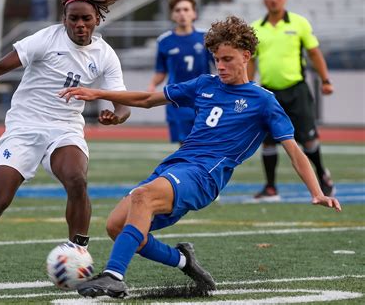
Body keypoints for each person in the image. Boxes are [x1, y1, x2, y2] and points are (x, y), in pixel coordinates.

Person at [60, 16, 342, 298]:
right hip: (177, 165)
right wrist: (95, 93)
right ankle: (184, 260)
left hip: (205, 175)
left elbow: (294, 150)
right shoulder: (204, 84)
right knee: (116, 226)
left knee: (142, 197)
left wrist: (316, 192)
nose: (220, 66)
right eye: (217, 59)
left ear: (246, 56)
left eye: (227, 59)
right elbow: (147, 100)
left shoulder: (263, 100)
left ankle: (114, 276)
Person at [0, 0, 131, 267]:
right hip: (24, 127)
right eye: (74, 19)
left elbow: (122, 102)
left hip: (65, 129)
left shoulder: (106, 55)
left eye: (86, 19)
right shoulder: (45, 39)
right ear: (64, 19)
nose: (80, 25)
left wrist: (116, 116)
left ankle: (78, 251)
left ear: (97, 19)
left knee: (76, 180)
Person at [248, 0, 335, 200]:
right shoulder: (255, 28)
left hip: (297, 90)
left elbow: (314, 53)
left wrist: (325, 80)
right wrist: (247, 88)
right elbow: (250, 61)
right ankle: (270, 187)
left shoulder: (299, 23)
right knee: (267, 140)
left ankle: (322, 177)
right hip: (268, 93)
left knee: (308, 139)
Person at [148, 0, 214, 145]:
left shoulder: (206, 38)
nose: (182, 13)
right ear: (172, 15)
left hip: (203, 97)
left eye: (186, 9)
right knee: (184, 145)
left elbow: (217, 64)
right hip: (177, 98)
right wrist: (152, 85)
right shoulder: (164, 41)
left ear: (194, 13)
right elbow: (161, 71)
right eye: (178, 10)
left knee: (205, 142)